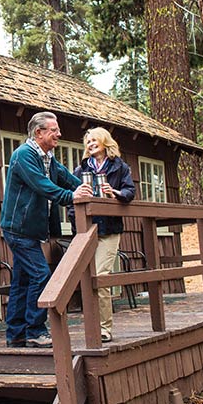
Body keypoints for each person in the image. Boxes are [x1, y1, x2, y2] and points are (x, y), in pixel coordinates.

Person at [0, 112, 92, 348]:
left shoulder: (48, 157)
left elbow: (66, 178)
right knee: (41, 275)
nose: (59, 134)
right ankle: (35, 330)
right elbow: (44, 187)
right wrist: (72, 197)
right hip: (18, 229)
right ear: (39, 133)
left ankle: (16, 334)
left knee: (22, 282)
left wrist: (91, 190)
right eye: (54, 130)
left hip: (30, 230)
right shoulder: (24, 156)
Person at [69, 127, 136, 343]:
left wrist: (114, 193)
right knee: (89, 278)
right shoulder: (80, 170)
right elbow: (72, 201)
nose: (90, 144)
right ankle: (93, 325)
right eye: (87, 142)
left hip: (109, 230)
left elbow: (129, 192)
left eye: (94, 140)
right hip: (88, 230)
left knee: (101, 277)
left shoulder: (119, 167)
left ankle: (105, 328)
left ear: (105, 141)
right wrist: (76, 225)